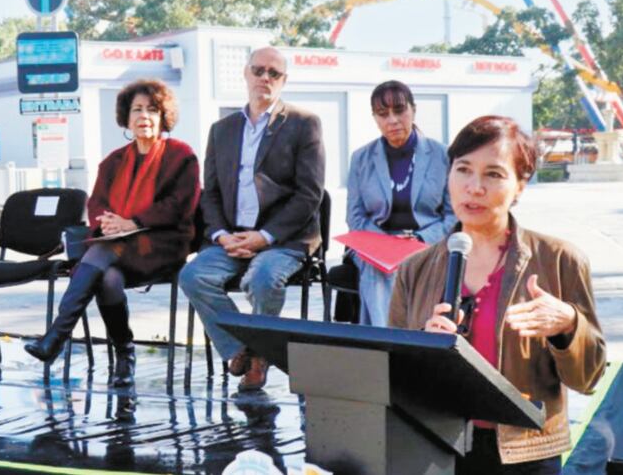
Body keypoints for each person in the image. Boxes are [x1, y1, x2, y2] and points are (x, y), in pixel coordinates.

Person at [390, 116, 606, 474]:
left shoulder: (559, 260)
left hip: (526, 454)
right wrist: (422, 351)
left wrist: (568, 325)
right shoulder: (414, 269)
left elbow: (589, 378)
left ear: (520, 185)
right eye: (463, 170)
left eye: (493, 174)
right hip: (439, 447)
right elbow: (394, 379)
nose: (474, 187)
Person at [25, 79, 200, 387]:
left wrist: (133, 222)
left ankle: (57, 336)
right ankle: (124, 356)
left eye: (152, 109)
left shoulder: (181, 155)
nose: (144, 116)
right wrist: (108, 223)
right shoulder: (113, 161)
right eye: (137, 109)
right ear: (126, 117)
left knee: (101, 253)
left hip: (162, 244)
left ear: (163, 116)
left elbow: (179, 206)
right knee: (108, 279)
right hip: (117, 248)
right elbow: (96, 204)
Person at [180, 46, 325, 392]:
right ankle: (241, 348)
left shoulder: (304, 124)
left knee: (262, 280)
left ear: (283, 80)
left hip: (284, 240)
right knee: (192, 275)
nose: (265, 78)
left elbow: (310, 194)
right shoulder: (222, 129)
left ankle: (259, 361)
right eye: (258, 70)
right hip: (231, 238)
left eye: (274, 73)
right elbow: (210, 192)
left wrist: (265, 236)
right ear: (245, 74)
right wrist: (218, 235)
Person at [335, 80, 455, 326]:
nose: (392, 120)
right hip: (376, 243)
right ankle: (389, 342)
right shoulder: (361, 158)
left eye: (399, 110)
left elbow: (453, 215)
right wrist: (385, 244)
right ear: (374, 118)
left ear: (413, 109)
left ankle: (399, 341)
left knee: (411, 262)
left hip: (427, 242)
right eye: (382, 114)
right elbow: (355, 217)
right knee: (379, 266)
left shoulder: (443, 156)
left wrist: (420, 239)